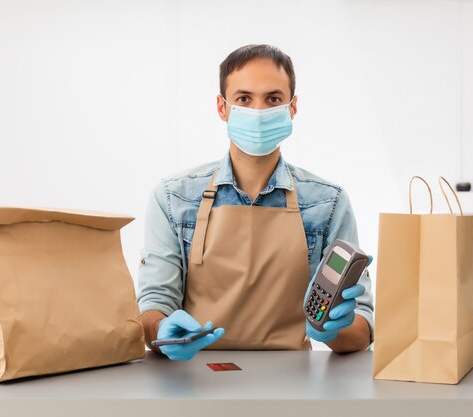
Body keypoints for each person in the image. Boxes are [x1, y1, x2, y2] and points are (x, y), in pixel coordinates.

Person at [137, 44, 374, 361]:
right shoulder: (173, 198)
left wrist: (333, 331)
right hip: (194, 383)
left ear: (292, 107)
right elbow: (153, 309)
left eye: (273, 99)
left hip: (293, 387)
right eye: (244, 99)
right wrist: (161, 330)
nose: (259, 112)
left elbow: (361, 328)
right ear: (223, 108)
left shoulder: (329, 203)